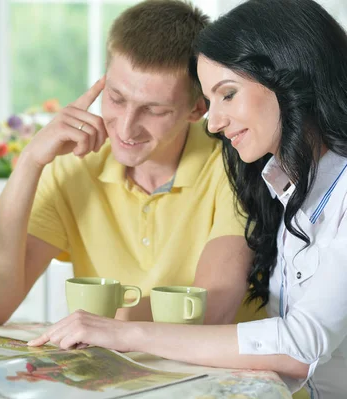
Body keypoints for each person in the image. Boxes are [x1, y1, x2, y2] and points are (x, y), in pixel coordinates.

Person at [28, 0, 347, 397]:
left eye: (227, 94)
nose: (213, 122)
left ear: (290, 76)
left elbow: (301, 345)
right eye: (211, 102)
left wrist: (125, 333)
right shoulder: (283, 189)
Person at [0, 0, 261, 327]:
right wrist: (30, 162)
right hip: (112, 366)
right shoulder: (74, 166)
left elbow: (211, 309)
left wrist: (111, 320)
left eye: (154, 110)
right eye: (116, 99)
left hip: (211, 372)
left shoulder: (234, 166)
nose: (125, 127)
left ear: (197, 109)